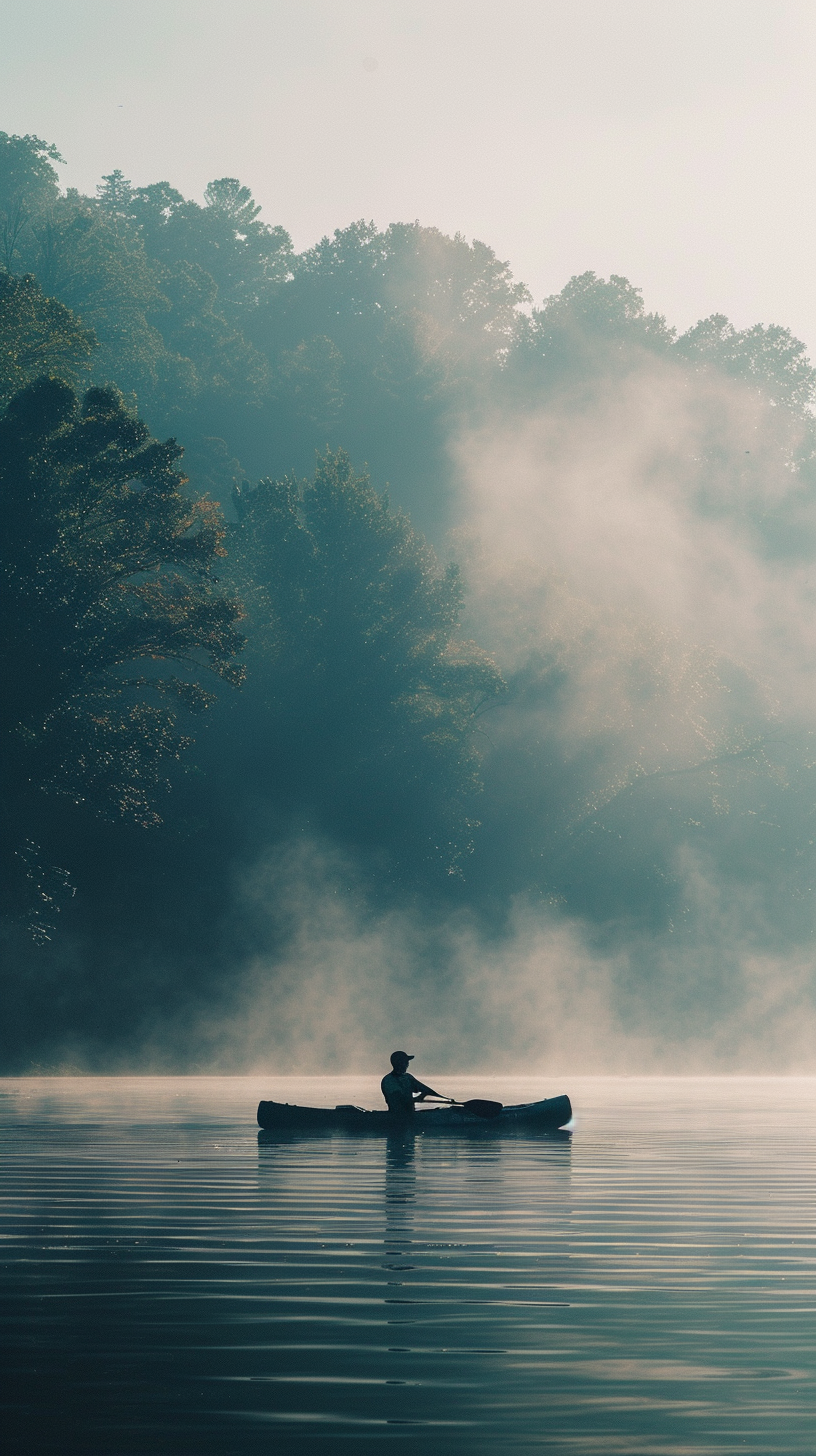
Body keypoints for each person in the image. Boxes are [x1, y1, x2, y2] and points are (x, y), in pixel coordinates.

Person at [381, 1051, 444, 1115]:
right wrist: (416, 1099)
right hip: (397, 1116)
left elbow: (425, 1089)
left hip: (410, 1114)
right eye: (406, 1062)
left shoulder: (408, 1078)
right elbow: (398, 1099)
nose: (407, 1064)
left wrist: (424, 1095)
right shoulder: (389, 1080)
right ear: (399, 1063)